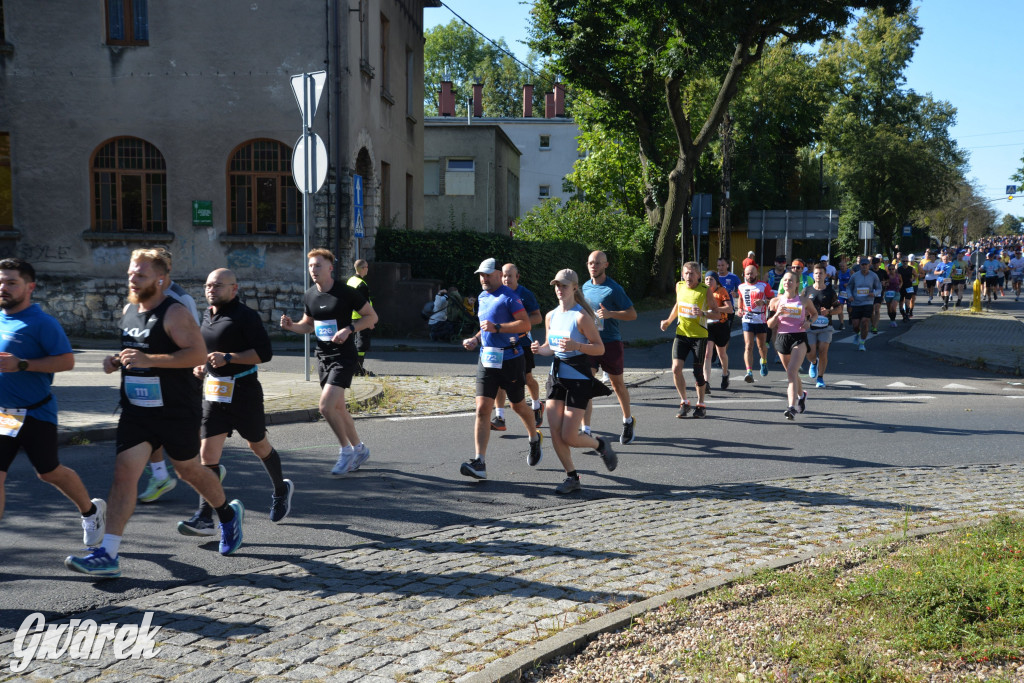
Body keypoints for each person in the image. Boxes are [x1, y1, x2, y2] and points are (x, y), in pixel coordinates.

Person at [66, 249, 243, 578]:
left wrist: (150, 361)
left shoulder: (174, 312)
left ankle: (228, 515)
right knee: (124, 475)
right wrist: (116, 361)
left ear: (160, 280)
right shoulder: (129, 309)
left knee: (189, 471)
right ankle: (108, 554)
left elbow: (196, 354)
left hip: (176, 410)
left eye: (141, 275)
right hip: (137, 410)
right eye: (131, 272)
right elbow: (136, 348)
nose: (133, 278)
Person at [0, 258, 106, 551]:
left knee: (48, 471)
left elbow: (66, 361)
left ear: (30, 287)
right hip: (4, 416)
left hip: (36, 412)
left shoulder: (42, 323)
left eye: (11, 282)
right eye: (1, 281)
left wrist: (22, 364)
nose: (3, 288)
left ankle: (90, 511)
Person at [177, 268, 293, 537]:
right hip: (215, 393)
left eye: (217, 285)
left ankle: (280, 489)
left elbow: (264, 353)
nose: (211, 290)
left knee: (258, 444)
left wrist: (229, 357)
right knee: (207, 455)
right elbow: (205, 351)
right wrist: (201, 365)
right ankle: (205, 517)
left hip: (244, 392)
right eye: (208, 285)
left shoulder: (246, 316)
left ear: (234, 289)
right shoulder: (206, 316)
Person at [280, 248, 378, 476]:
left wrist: (349, 328)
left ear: (330, 268)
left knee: (325, 407)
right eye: (311, 266)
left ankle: (345, 451)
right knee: (339, 408)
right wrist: (291, 326)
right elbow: (308, 325)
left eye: (318, 266)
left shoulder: (346, 292)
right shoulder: (310, 295)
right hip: (323, 357)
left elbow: (372, 317)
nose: (313, 270)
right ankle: (360, 449)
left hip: (344, 357)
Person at [531, 269, 616, 494]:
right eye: (557, 285)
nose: (560, 289)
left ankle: (600, 444)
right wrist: (540, 350)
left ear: (575, 288)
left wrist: (577, 346)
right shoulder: (551, 315)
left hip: (578, 379)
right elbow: (552, 347)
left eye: (564, 286)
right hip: (556, 377)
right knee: (555, 433)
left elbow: (600, 348)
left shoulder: (581, 317)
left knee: (569, 436)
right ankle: (572, 477)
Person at [459, 258, 543, 480]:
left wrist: (498, 328)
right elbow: (485, 327)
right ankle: (479, 462)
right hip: (487, 358)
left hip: (511, 358)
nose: (484, 279)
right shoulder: (482, 296)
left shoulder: (510, 297)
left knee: (517, 406)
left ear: (498, 274)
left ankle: (534, 438)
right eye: (481, 275)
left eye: (487, 274)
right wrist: (476, 339)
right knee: (482, 409)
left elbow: (525, 324)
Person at [138, 248, 200, 504]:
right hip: (146, 381)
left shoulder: (181, 300)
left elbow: (195, 342)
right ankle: (161, 476)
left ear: (166, 270)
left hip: (175, 380)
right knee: (147, 432)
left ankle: (205, 472)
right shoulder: (141, 299)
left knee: (181, 444)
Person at [582, 251, 638, 444]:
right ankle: (586, 430)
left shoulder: (614, 289)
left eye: (597, 263)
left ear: (606, 265)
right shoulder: (584, 286)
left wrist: (611, 314)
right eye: (590, 263)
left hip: (611, 342)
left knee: (617, 385)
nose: (593, 266)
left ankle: (628, 421)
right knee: (586, 383)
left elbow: (632, 315)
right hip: (590, 341)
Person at [659, 262, 728, 418]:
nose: (688, 276)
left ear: (698, 276)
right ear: (682, 274)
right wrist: (668, 321)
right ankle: (684, 402)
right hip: (682, 334)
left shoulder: (705, 291)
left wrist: (703, 313)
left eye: (692, 274)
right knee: (676, 368)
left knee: (698, 373)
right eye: (686, 273)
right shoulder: (680, 286)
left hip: (699, 337)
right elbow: (678, 305)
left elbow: (717, 314)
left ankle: (701, 404)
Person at [492, 263, 544, 430]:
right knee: (499, 381)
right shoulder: (495, 293)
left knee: (527, 378)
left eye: (510, 276)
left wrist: (521, 322)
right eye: (504, 276)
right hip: (501, 342)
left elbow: (538, 317)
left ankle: (536, 406)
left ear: (517, 277)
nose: (506, 279)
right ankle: (500, 417)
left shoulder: (524, 294)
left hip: (522, 342)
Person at [767, 271, 817, 420]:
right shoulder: (775, 301)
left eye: (790, 281)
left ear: (796, 284)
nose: (787, 283)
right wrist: (776, 315)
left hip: (799, 338)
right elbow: (769, 324)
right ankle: (802, 395)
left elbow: (814, 314)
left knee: (791, 372)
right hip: (782, 338)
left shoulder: (804, 301)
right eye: (785, 280)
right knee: (792, 373)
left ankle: (791, 407)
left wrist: (809, 322)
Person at [736, 264, 774, 383]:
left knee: (761, 346)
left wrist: (763, 302)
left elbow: (772, 301)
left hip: (761, 319)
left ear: (756, 273)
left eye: (752, 273)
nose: (749, 276)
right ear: (744, 274)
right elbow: (741, 299)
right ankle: (749, 372)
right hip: (747, 319)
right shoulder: (741, 287)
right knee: (748, 346)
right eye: (747, 273)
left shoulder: (764, 286)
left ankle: (763, 361)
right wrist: (740, 309)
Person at [805, 263, 839, 389]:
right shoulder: (807, 290)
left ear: (825, 275)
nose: (818, 275)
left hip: (826, 326)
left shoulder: (830, 291)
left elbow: (839, 309)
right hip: (810, 327)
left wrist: (829, 311)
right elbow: (800, 307)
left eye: (821, 273)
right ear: (813, 275)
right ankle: (814, 362)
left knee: (823, 350)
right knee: (810, 353)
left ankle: (820, 378)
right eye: (816, 273)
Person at [702, 272, 733, 391]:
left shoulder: (722, 291)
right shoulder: (703, 291)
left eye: (711, 279)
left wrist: (715, 309)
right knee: (707, 353)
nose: (708, 281)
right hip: (708, 326)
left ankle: (725, 374)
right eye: (706, 279)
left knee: (721, 354)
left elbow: (729, 309)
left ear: (716, 281)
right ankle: (706, 382)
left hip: (721, 325)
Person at [346, 259, 374, 376]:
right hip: (361, 318)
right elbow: (364, 304)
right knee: (362, 344)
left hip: (350, 317)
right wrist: (370, 320)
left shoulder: (351, 281)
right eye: (366, 267)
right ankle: (358, 369)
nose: (368, 269)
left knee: (352, 343)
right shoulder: (362, 284)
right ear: (363, 268)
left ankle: (353, 368)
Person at [848, 257, 882, 352]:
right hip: (856, 303)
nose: (864, 266)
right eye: (862, 265)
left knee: (865, 321)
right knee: (855, 325)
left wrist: (874, 294)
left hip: (868, 302)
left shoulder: (874, 276)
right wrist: (850, 296)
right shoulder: (855, 276)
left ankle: (862, 343)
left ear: (869, 265)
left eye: (866, 265)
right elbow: (849, 287)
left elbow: (879, 288)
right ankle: (857, 334)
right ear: (860, 266)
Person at [896, 255, 917, 321]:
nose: (905, 262)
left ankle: (907, 314)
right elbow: (895, 277)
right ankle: (904, 315)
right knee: (901, 302)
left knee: (907, 301)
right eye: (903, 261)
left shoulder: (911, 268)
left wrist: (913, 279)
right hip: (901, 287)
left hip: (909, 286)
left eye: (906, 261)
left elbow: (916, 275)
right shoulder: (899, 269)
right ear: (901, 262)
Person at [835, 256, 852, 330]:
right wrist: (835, 284)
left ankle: (850, 316)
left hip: (849, 293)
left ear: (846, 266)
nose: (842, 268)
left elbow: (855, 281)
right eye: (841, 266)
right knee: (839, 308)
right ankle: (842, 323)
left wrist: (849, 284)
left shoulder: (851, 272)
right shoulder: (838, 272)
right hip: (841, 294)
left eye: (843, 266)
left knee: (849, 309)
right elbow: (835, 278)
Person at [883, 263, 903, 327]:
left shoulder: (898, 275)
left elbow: (901, 281)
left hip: (896, 292)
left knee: (893, 307)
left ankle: (894, 320)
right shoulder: (886, 276)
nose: (891, 270)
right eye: (890, 269)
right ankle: (891, 320)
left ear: (895, 269)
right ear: (888, 270)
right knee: (889, 308)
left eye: (893, 269)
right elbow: (883, 283)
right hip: (888, 292)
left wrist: (900, 286)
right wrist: (885, 284)